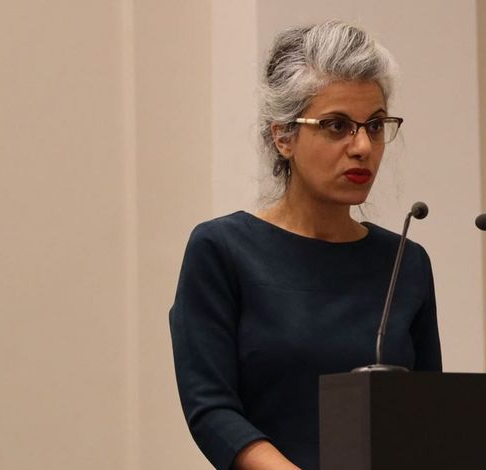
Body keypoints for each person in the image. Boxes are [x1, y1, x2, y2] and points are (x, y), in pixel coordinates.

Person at [169, 21, 442, 470]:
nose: (362, 146)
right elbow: (211, 408)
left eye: (374, 125)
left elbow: (430, 413)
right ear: (283, 137)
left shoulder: (404, 262)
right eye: (337, 126)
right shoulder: (222, 250)